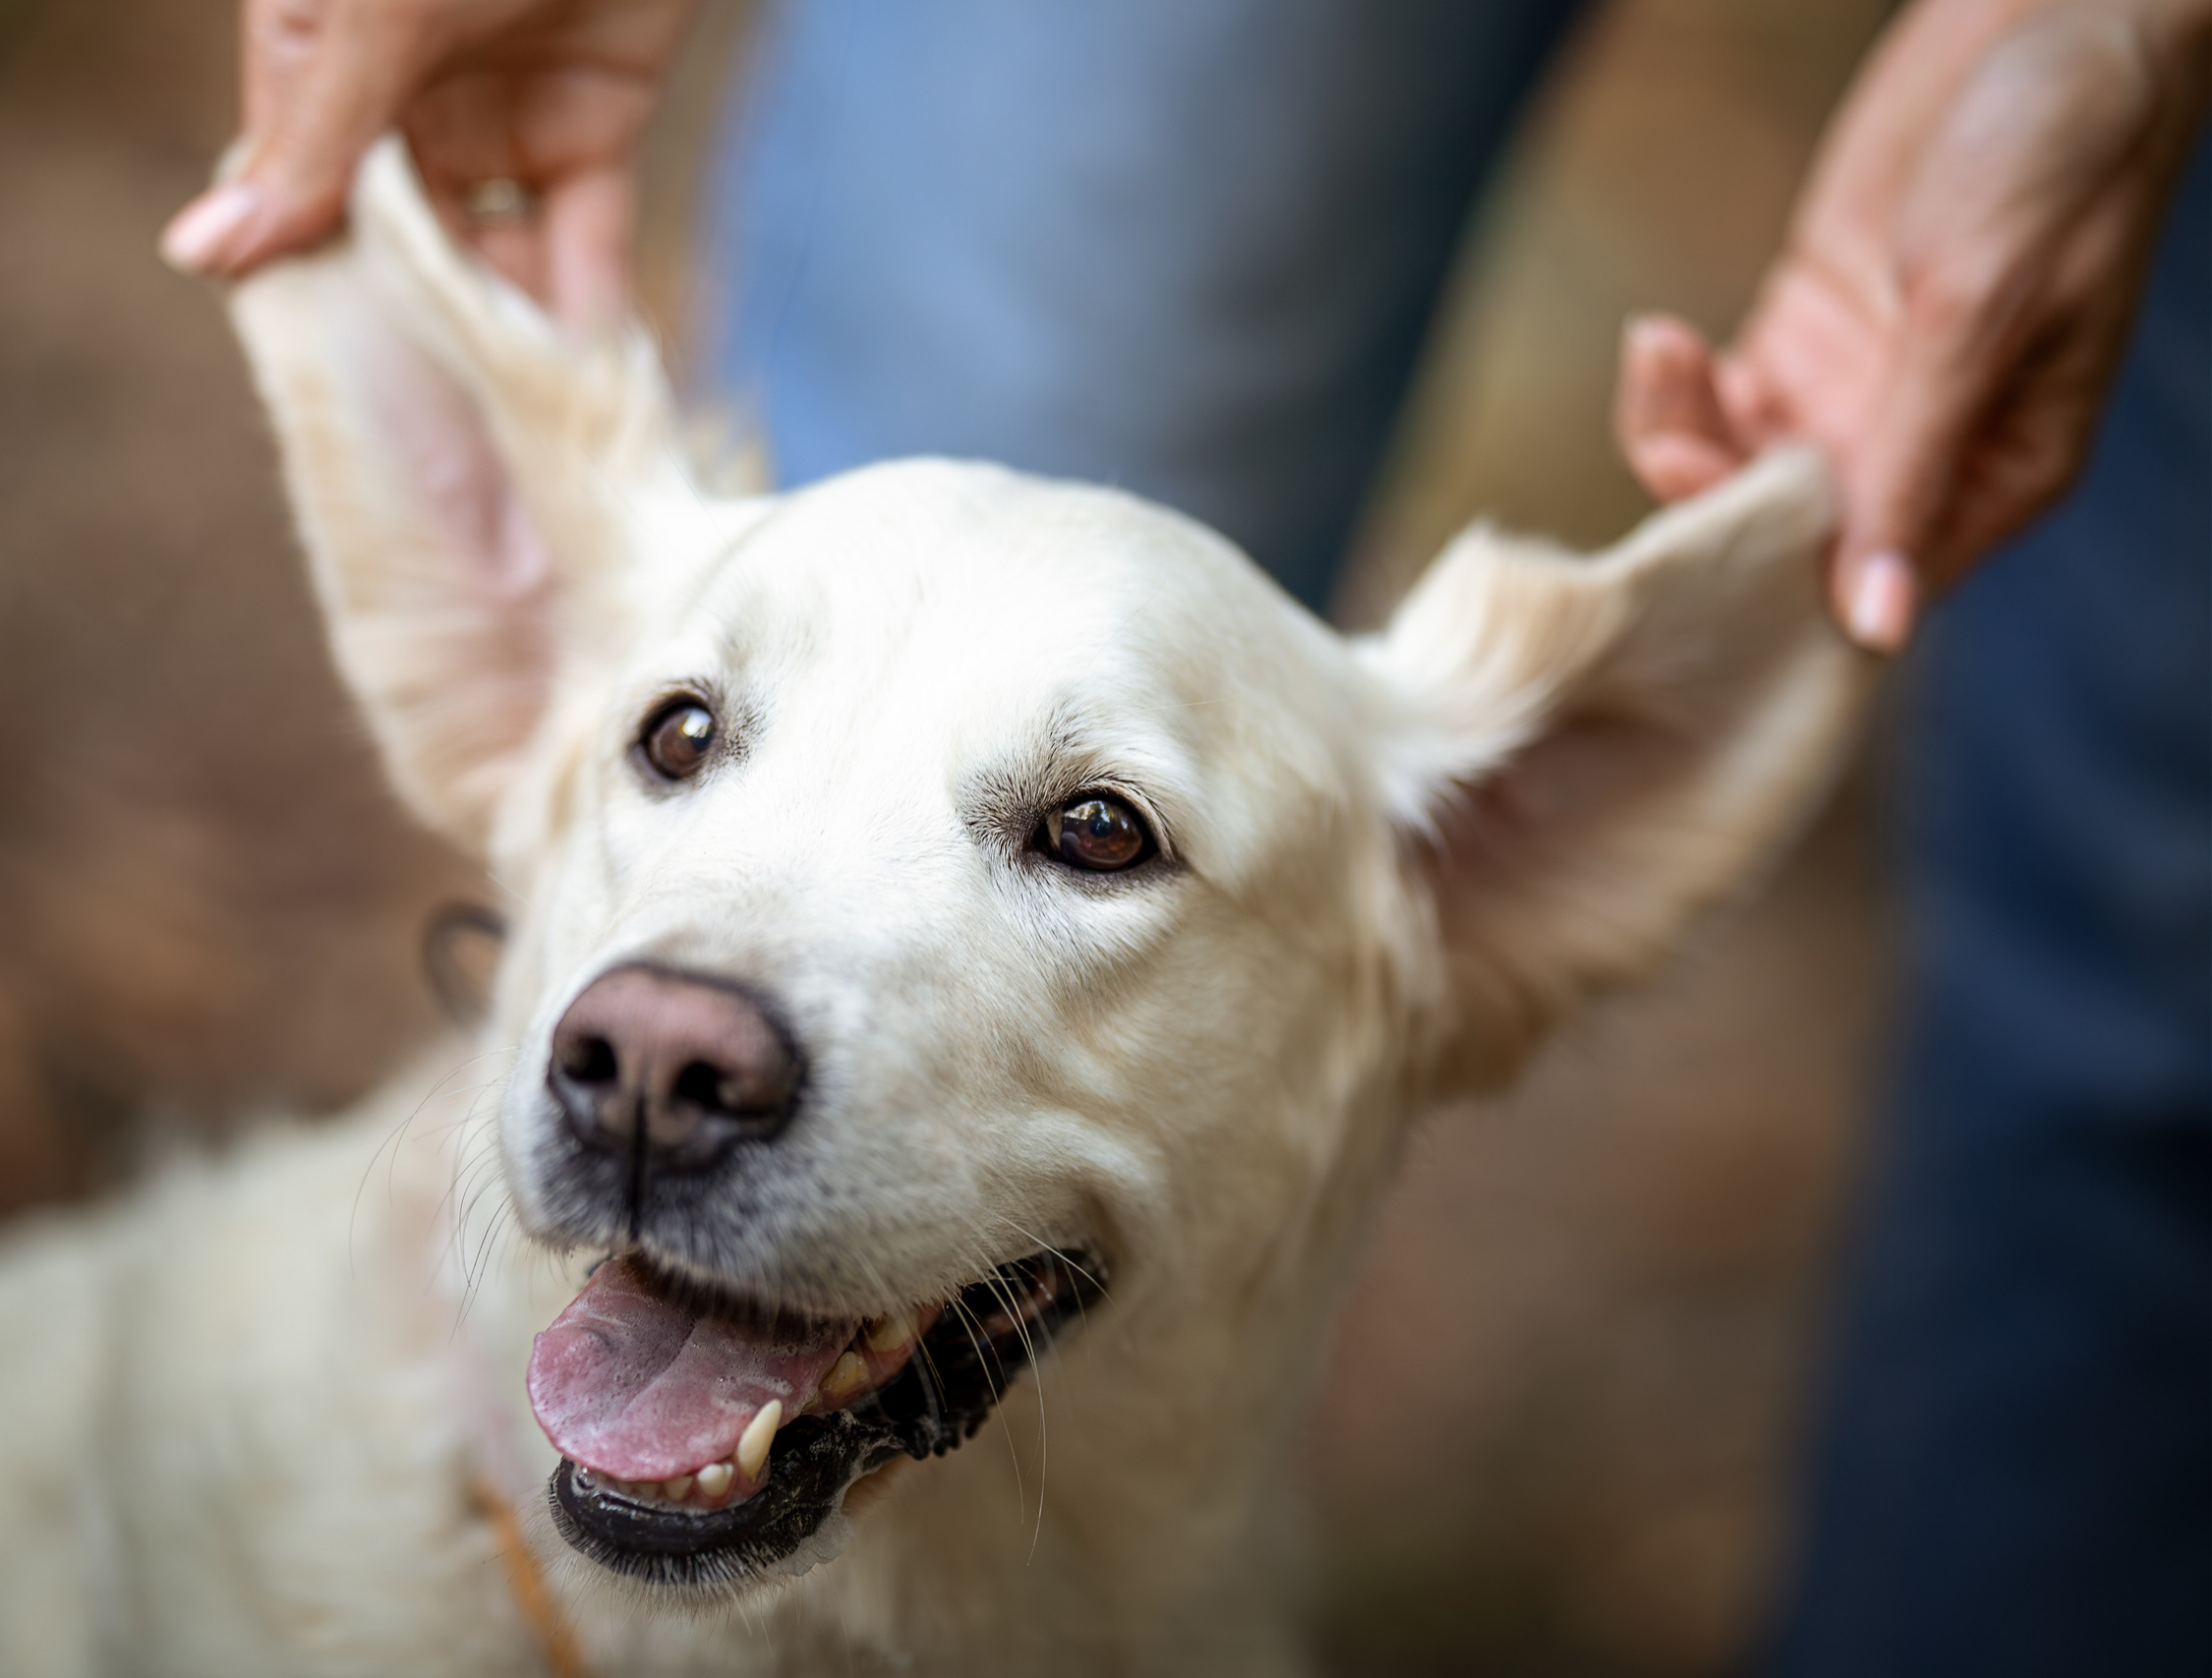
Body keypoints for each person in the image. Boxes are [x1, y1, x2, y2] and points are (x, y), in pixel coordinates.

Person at [162, 1, 2212, 1670]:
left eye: (1086, 827)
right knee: (1000, 364)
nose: (670, 1031)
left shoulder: (1460, 854)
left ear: (1481, 885)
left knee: (2160, 952)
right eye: (684, 738)